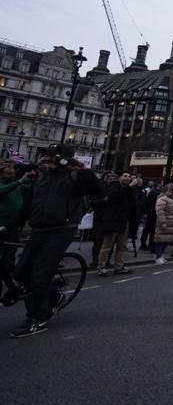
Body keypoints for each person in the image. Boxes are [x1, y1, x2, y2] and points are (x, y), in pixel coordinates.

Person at [1, 144, 103, 337]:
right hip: (39, 229)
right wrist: (7, 228)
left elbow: (98, 191)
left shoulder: (75, 177)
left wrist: (85, 171)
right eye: (46, 157)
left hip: (61, 230)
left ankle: (37, 318)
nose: (47, 160)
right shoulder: (39, 178)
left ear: (63, 159)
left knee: (40, 276)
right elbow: (25, 208)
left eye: (51, 157)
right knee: (22, 272)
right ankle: (53, 296)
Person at [94, 172, 140, 276]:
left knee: (122, 246)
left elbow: (134, 204)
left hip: (125, 221)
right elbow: (114, 196)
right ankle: (101, 267)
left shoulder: (130, 189)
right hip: (113, 220)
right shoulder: (114, 187)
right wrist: (130, 187)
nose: (127, 178)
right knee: (107, 245)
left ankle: (119, 267)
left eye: (129, 176)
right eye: (124, 176)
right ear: (119, 178)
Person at [0, 163, 32, 303]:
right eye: (9, 174)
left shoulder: (16, 185)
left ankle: (12, 280)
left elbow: (31, 190)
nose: (12, 176)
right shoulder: (6, 185)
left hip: (13, 225)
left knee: (10, 252)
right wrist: (19, 181)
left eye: (13, 173)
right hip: (2, 224)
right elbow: (3, 191)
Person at [153, 182, 173, 266]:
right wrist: (162, 222)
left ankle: (161, 256)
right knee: (160, 240)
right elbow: (160, 211)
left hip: (171, 223)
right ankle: (158, 257)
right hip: (164, 222)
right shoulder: (162, 198)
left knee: (167, 240)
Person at [140, 182, 159, 251]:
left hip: (150, 213)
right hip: (152, 214)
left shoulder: (152, 191)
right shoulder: (155, 192)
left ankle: (144, 244)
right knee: (151, 230)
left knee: (147, 230)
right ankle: (150, 245)